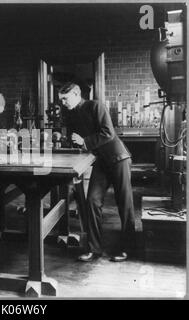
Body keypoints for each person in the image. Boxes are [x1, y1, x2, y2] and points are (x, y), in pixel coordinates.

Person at [58, 82, 135, 262]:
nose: (63, 103)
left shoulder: (95, 106)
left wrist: (84, 141)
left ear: (77, 93)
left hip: (118, 158)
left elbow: (108, 133)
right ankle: (94, 249)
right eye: (61, 100)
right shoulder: (71, 114)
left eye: (65, 99)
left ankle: (128, 248)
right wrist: (64, 138)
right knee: (92, 201)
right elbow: (76, 139)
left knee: (124, 203)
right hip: (101, 162)